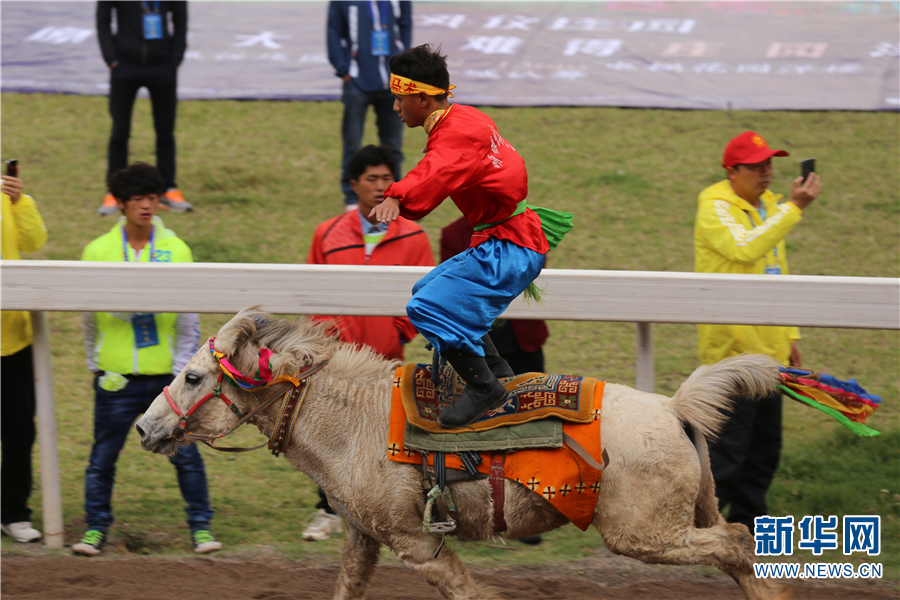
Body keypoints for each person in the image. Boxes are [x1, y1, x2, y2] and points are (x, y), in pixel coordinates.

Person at [372, 44, 569, 430]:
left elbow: (435, 170)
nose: (395, 108)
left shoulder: (454, 135)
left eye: (400, 99)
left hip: (508, 247)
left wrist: (398, 196)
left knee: (426, 308)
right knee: (424, 290)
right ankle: (496, 371)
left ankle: (483, 388)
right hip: (507, 241)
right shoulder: (464, 119)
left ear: (424, 99)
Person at [73, 162, 219, 556]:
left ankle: (201, 528)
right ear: (120, 204)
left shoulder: (177, 250)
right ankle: (95, 529)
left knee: (186, 456)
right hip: (115, 375)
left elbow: (189, 318)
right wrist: (95, 363)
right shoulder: (97, 252)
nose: (146, 206)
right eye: (137, 199)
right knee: (102, 457)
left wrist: (180, 373)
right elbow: (89, 317)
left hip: (165, 380)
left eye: (152, 198)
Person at [303, 145, 434, 541]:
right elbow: (315, 290)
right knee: (330, 437)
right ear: (354, 184)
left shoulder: (413, 235)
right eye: (371, 179)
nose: (380, 187)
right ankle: (328, 510)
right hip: (337, 362)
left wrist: (397, 332)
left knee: (387, 437)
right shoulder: (327, 234)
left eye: (386, 179)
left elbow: (423, 297)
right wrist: (329, 340)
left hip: (386, 361)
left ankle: (392, 512)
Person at [694, 130, 820, 532]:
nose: (767, 172)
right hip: (733, 353)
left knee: (765, 452)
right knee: (729, 455)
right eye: (756, 166)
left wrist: (791, 335)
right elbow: (744, 248)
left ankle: (746, 534)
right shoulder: (715, 207)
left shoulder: (769, 205)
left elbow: (777, 273)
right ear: (732, 171)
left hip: (771, 351)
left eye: (770, 164)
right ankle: (692, 532)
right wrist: (795, 208)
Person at [96, 1, 192, 216]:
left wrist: (176, 57)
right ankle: (115, 193)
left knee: (165, 132)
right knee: (119, 132)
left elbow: (181, 18)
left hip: (163, 65)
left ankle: (168, 189)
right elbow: (103, 18)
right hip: (124, 64)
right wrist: (110, 58)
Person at [327, 1, 412, 210]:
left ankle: (394, 196)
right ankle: (351, 199)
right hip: (357, 80)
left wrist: (404, 64)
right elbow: (333, 31)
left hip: (393, 82)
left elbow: (406, 25)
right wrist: (343, 70)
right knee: (353, 144)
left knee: (393, 145)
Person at [1, 170, 48, 544]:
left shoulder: (6, 197)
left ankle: (13, 512)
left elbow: (34, 242)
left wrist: (20, 202)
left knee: (19, 430)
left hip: (14, 340)